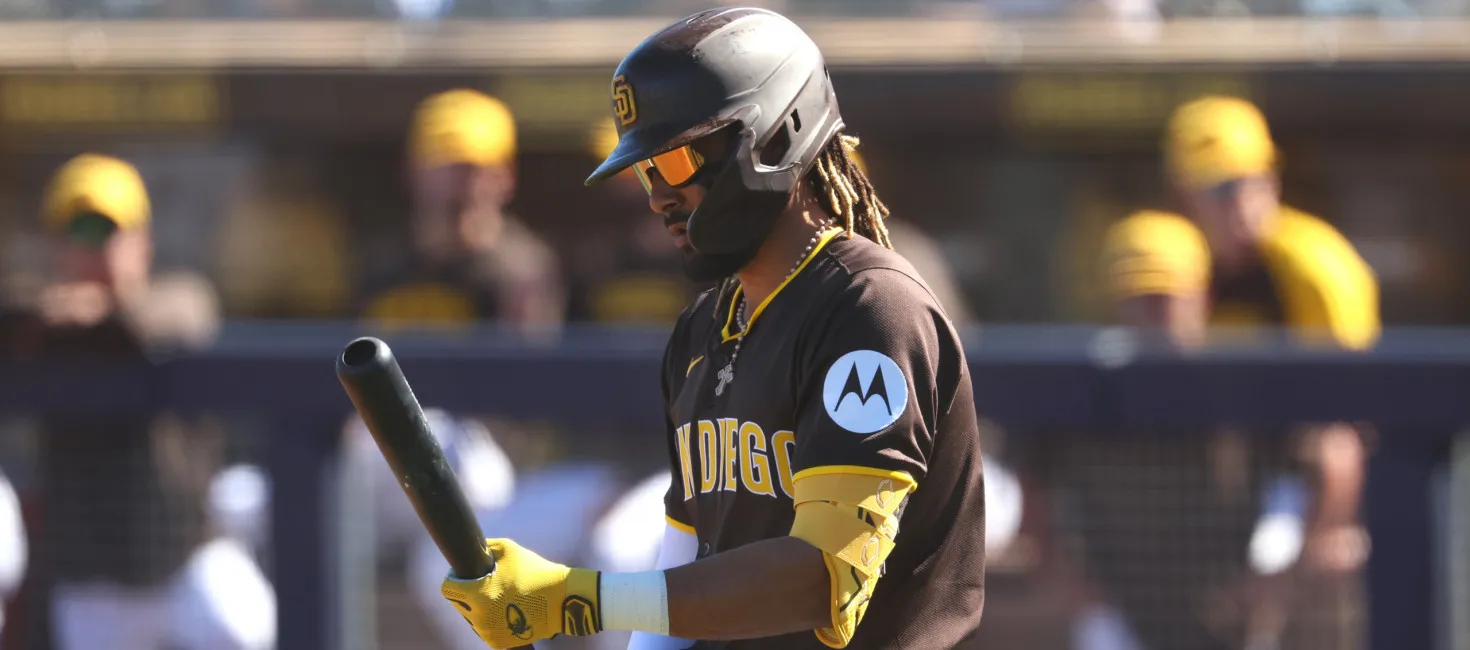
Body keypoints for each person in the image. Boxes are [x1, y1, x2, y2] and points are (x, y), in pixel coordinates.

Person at [438, 8, 987, 650]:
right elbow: (680, 569)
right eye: (645, 171)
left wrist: (579, 598)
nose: (657, 197)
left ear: (776, 135)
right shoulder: (703, 328)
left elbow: (822, 579)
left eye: (675, 162)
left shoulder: (872, 309)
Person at [1083, 96, 1378, 649]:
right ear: (1184, 194)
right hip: (1214, 485)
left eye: (1254, 180)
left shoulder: (1315, 268)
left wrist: (1330, 526)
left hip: (1299, 474)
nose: (1242, 202)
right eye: (1220, 188)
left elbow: (1349, 425)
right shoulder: (1178, 262)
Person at [0, 153, 274, 650]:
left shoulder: (177, 296)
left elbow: (170, 315)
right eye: (80, 233)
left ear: (142, 241)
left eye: (109, 232)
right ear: (56, 246)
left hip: (186, 559)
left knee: (248, 626)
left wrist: (93, 312)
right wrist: (50, 313)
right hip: (95, 579)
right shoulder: (39, 324)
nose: (97, 249)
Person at [358, 88, 565, 336]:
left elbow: (536, 357)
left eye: (474, 167)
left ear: (507, 176)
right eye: (443, 163)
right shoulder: (380, 269)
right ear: (411, 170)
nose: (459, 180)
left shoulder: (525, 274)